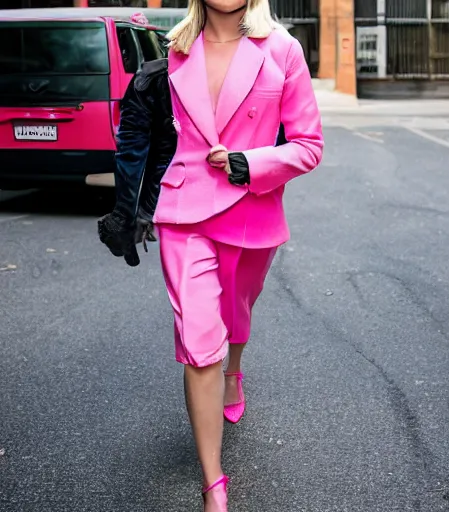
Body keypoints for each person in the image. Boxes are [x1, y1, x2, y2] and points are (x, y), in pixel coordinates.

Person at [154, 1, 324, 510]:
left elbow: (308, 145)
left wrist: (250, 162)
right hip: (185, 211)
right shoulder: (177, 50)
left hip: (251, 207)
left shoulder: (282, 50)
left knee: (237, 310)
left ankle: (235, 370)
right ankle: (213, 485)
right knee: (200, 338)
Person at [98, 54, 176, 266]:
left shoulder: (152, 76)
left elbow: (135, 153)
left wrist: (129, 213)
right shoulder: (153, 78)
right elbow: (160, 154)